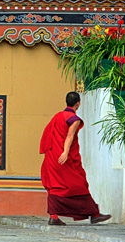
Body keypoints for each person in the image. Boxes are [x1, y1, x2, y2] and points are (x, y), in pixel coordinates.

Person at [40, 91, 111, 226]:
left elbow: (48, 135)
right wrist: (65, 152)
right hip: (64, 158)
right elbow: (69, 136)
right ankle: (94, 214)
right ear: (78, 103)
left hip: (52, 157)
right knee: (79, 184)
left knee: (56, 185)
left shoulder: (57, 116)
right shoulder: (74, 119)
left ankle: (54, 216)